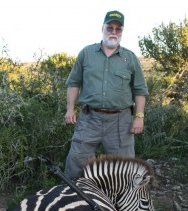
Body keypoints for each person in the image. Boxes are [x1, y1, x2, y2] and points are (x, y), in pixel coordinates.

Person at [64, 10, 149, 179]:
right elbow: (74, 83)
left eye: (118, 29)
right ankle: (73, 199)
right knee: (76, 163)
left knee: (124, 169)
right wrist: (70, 109)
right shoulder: (86, 54)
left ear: (122, 32)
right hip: (89, 119)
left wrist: (139, 117)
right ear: (102, 28)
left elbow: (140, 91)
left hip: (120, 122)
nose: (114, 32)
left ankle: (120, 204)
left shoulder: (130, 58)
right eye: (110, 27)